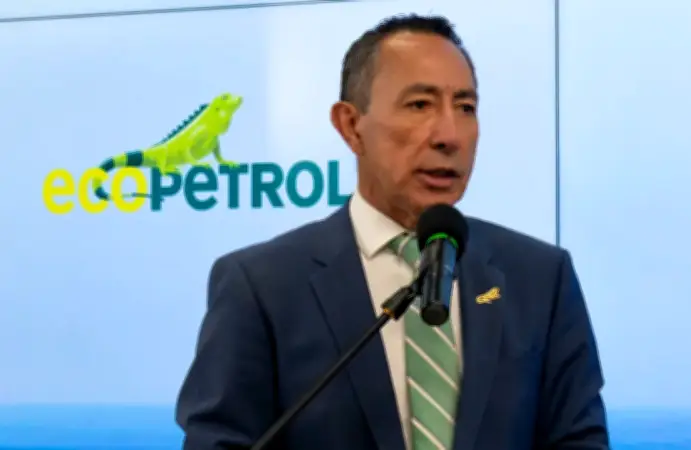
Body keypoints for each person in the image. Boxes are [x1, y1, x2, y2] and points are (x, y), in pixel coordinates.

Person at [175, 13, 609, 450]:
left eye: (465, 108)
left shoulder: (539, 278)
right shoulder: (262, 287)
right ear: (351, 126)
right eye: (420, 105)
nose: (450, 135)